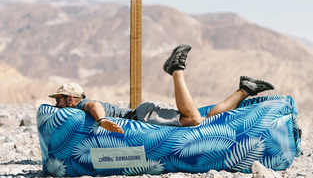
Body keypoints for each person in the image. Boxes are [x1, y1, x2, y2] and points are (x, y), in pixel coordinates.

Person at [49, 43, 275, 134]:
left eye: (58, 99)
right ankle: (245, 89)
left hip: (144, 115)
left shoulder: (78, 106)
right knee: (205, 121)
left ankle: (176, 68)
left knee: (194, 119)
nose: (55, 104)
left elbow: (93, 104)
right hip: (146, 114)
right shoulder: (71, 111)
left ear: (69, 99)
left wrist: (101, 121)